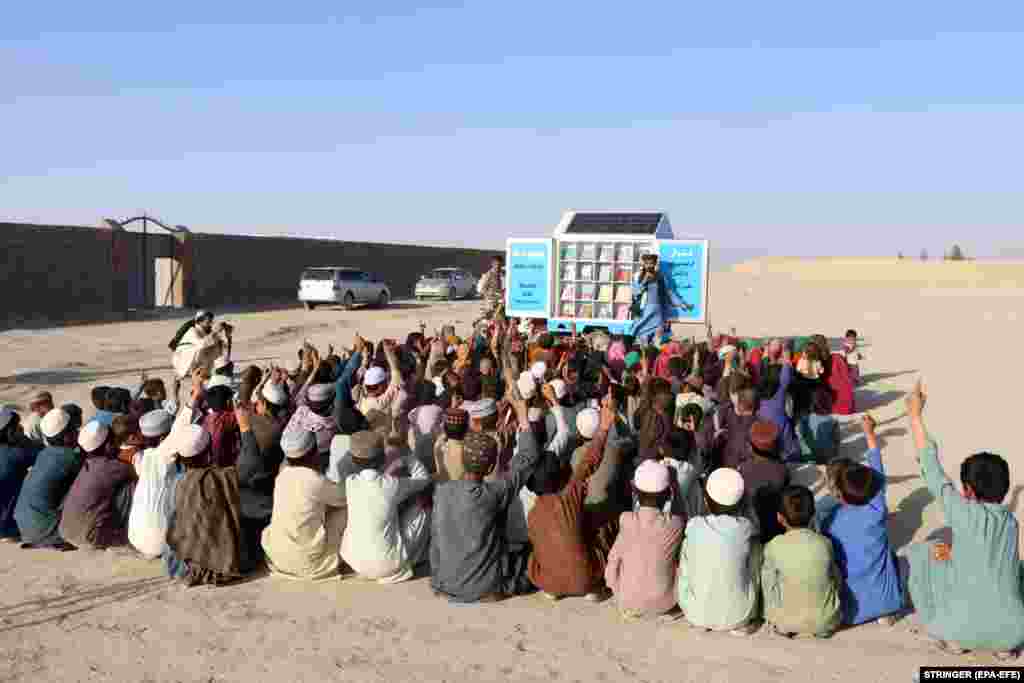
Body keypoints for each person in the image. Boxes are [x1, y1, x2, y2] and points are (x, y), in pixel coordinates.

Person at [902, 380, 1024, 656]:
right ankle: (1003, 647)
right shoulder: (1010, 522)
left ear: (967, 490)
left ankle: (953, 638)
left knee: (923, 553)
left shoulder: (961, 510)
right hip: (1014, 631)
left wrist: (915, 416)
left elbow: (932, 468)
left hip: (959, 628)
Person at [430, 394, 541, 602]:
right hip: (485, 587)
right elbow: (528, 457)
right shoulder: (494, 492)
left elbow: (436, 541)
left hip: (444, 582)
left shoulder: (442, 492)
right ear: (491, 467)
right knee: (533, 562)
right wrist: (523, 417)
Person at [527, 395, 617, 601]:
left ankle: (554, 586)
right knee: (602, 533)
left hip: (547, 580)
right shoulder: (568, 497)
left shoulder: (532, 512)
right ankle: (595, 587)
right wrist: (604, 429)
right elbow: (589, 462)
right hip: (583, 580)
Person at [818, 414, 903, 627]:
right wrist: (869, 433)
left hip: (849, 612)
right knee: (890, 555)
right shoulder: (877, 508)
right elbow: (878, 471)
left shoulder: (830, 522)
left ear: (841, 495)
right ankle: (885, 612)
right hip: (887, 603)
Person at [677, 467, 761, 635]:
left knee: (687, 552)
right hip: (740, 615)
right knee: (755, 552)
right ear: (741, 502)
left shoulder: (694, 525)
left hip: (694, 613)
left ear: (706, 501)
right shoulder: (745, 527)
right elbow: (756, 532)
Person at [340, 431, 432, 584]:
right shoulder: (391, 484)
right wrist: (408, 458)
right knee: (424, 504)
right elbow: (423, 479)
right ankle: (419, 555)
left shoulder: (350, 482)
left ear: (353, 460)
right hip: (386, 565)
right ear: (382, 458)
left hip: (354, 561)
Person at [262, 429, 349, 581]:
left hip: (278, 559)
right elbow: (343, 498)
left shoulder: (282, 476)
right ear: (313, 452)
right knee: (345, 511)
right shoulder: (315, 479)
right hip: (308, 563)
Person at [165, 424, 245, 585]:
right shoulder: (222, 477)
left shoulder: (175, 481)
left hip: (184, 561)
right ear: (208, 450)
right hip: (221, 561)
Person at [605, 460, 684, 619]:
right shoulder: (675, 524)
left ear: (635, 491)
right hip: (664, 602)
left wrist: (615, 587)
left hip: (625, 599)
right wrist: (675, 484)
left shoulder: (626, 519)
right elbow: (680, 512)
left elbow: (613, 560)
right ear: (669, 493)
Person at [762, 486, 842, 639]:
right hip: (827, 622)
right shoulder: (824, 543)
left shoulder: (773, 545)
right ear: (813, 515)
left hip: (785, 623)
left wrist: (770, 614)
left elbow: (768, 585)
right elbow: (835, 579)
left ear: (779, 517)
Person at [58, 421, 137, 549]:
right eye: (114, 441)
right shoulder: (112, 467)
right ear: (108, 445)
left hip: (65, 531)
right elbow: (133, 472)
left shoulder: (87, 464)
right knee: (129, 487)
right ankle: (128, 536)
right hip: (89, 537)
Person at [14, 407, 83, 551]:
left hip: (25, 528)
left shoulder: (45, 454)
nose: (78, 431)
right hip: (47, 530)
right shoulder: (70, 457)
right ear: (67, 436)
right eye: (74, 429)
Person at [236, 401, 284, 573]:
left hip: (250, 519)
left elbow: (250, 456)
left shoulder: (245, 466)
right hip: (268, 513)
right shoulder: (275, 434)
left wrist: (245, 430)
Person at [127, 408, 180, 559]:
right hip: (162, 544)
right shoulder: (165, 456)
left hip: (135, 538)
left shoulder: (138, 457)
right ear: (164, 438)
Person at [740, 420, 790, 545]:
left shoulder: (743, 468)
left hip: (751, 527)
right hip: (774, 527)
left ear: (751, 447)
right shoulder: (781, 470)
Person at [0, 408, 41, 541]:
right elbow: (48, 455)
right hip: (10, 527)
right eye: (17, 426)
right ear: (9, 431)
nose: (21, 428)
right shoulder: (16, 453)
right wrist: (24, 440)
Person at [631, 253, 690, 346]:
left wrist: (682, 303)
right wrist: (644, 281)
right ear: (644, 264)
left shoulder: (660, 276)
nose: (649, 266)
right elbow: (635, 292)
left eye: (651, 263)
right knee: (642, 336)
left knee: (658, 337)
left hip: (657, 311)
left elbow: (669, 292)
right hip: (644, 311)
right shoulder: (638, 276)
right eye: (647, 263)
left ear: (655, 264)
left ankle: (654, 354)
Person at [796, 386, 840, 464]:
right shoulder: (833, 421)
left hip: (808, 456)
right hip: (829, 456)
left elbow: (800, 435)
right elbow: (837, 440)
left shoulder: (804, 419)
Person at [475, 255, 506, 327]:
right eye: (496, 264)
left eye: (500, 265)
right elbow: (481, 290)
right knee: (489, 323)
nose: (498, 266)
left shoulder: (500, 275)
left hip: (499, 303)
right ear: (492, 264)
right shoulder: (488, 275)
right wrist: (491, 296)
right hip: (490, 304)